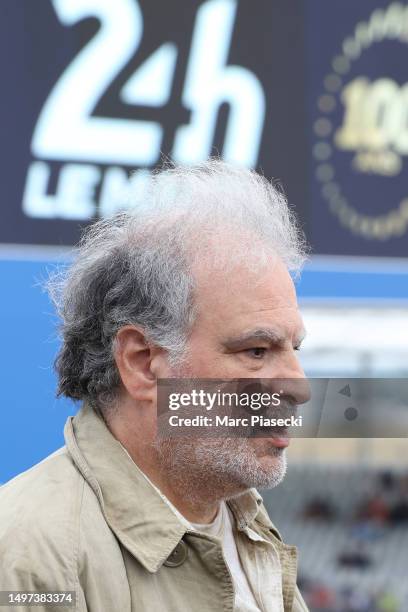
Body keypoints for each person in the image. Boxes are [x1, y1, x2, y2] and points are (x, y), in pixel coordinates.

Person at [0, 160, 310, 611]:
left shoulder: (244, 520)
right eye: (257, 351)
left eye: (294, 349)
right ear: (142, 363)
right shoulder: (31, 553)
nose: (297, 386)